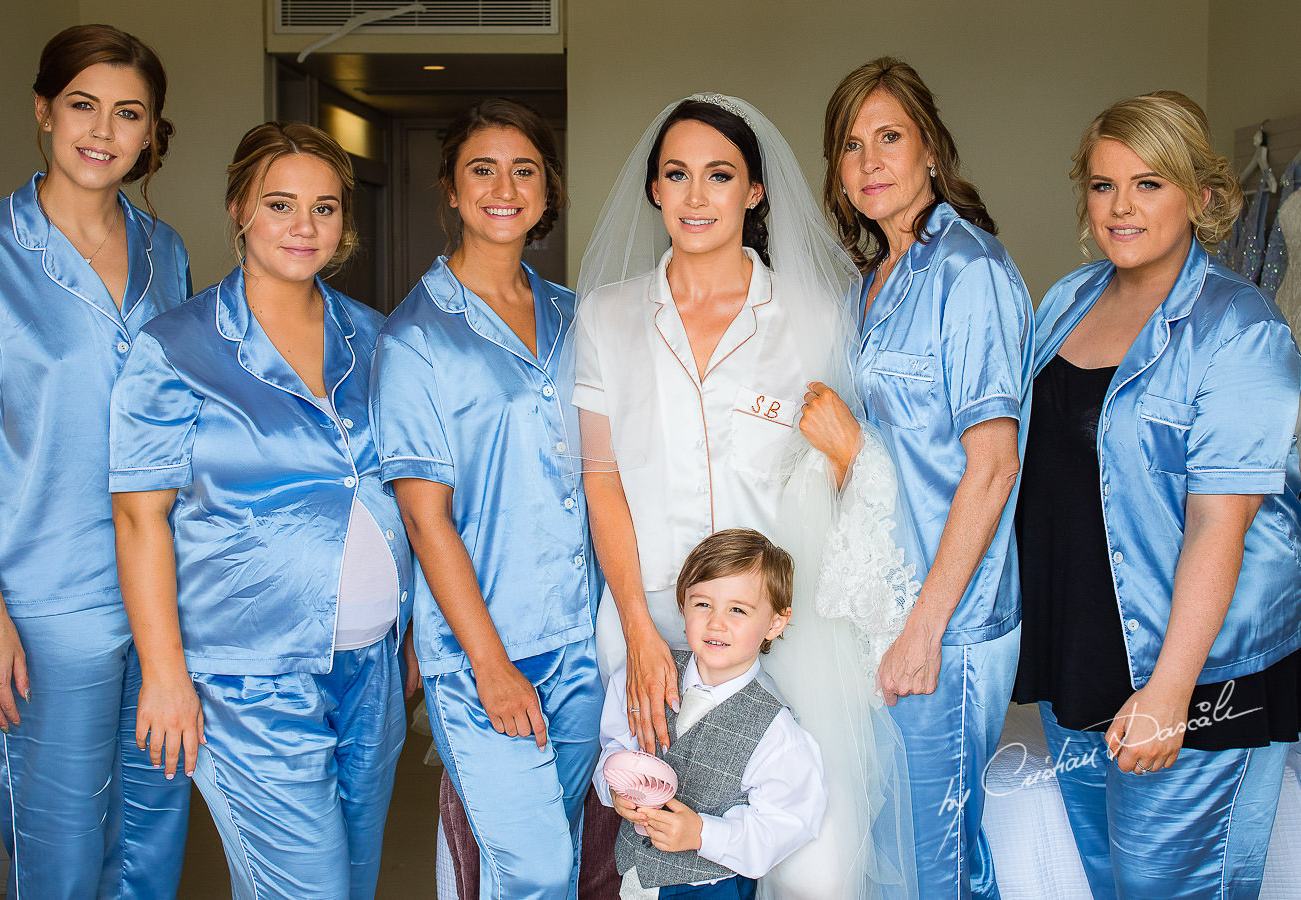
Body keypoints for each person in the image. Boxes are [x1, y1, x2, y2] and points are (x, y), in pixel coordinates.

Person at [575, 92, 918, 898]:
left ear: (755, 191)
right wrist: (637, 632)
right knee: (665, 849)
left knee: (813, 861)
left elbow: (845, 469)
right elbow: (602, 480)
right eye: (678, 175)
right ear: (655, 189)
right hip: (653, 616)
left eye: (720, 176)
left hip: (781, 630)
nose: (697, 198)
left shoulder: (811, 314)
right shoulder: (609, 316)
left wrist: (845, 458)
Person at [108, 121, 411, 900]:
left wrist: (417, 635)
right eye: (280, 204)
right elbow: (141, 520)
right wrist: (166, 674)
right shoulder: (177, 347)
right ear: (239, 207)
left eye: (325, 207)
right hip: (245, 674)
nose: (303, 227)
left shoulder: (375, 338)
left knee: (352, 881)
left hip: (370, 667)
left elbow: (407, 494)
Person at [1012, 91, 1301, 898]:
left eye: (1148, 184)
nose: (1121, 207)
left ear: (1203, 197)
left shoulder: (1238, 331)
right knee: (1112, 883)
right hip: (1082, 657)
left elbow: (1221, 524)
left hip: (1197, 672)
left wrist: (1172, 690)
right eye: (1103, 186)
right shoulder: (1066, 300)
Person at [0, 24, 191, 898]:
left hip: (162, 595)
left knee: (154, 833)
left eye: (128, 114)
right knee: (57, 857)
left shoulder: (167, 253)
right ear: (45, 112)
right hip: (44, 603)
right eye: (84, 106)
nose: (103, 130)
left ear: (149, 132)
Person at [371, 97, 603, 900]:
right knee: (536, 869)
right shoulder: (415, 340)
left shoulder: (576, 317)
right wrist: (492, 665)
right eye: (482, 168)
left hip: (583, 636)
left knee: (556, 856)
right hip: (486, 653)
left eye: (524, 169)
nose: (504, 186)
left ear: (548, 190)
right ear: (449, 186)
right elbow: (424, 517)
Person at [820, 57, 1033, 899]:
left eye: (890, 137)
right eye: (850, 144)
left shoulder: (967, 271)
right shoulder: (867, 284)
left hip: (949, 620)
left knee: (931, 862)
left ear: (932, 151)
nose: (870, 160)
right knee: (895, 855)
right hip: (880, 606)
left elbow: (994, 463)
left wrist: (925, 628)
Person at [595, 528, 828, 900]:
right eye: (703, 604)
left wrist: (703, 833)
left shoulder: (775, 731)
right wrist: (614, 790)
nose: (717, 622)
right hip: (634, 882)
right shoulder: (646, 677)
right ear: (682, 606)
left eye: (737, 609)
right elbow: (614, 744)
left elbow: (784, 824)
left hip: (710, 888)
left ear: (775, 623)